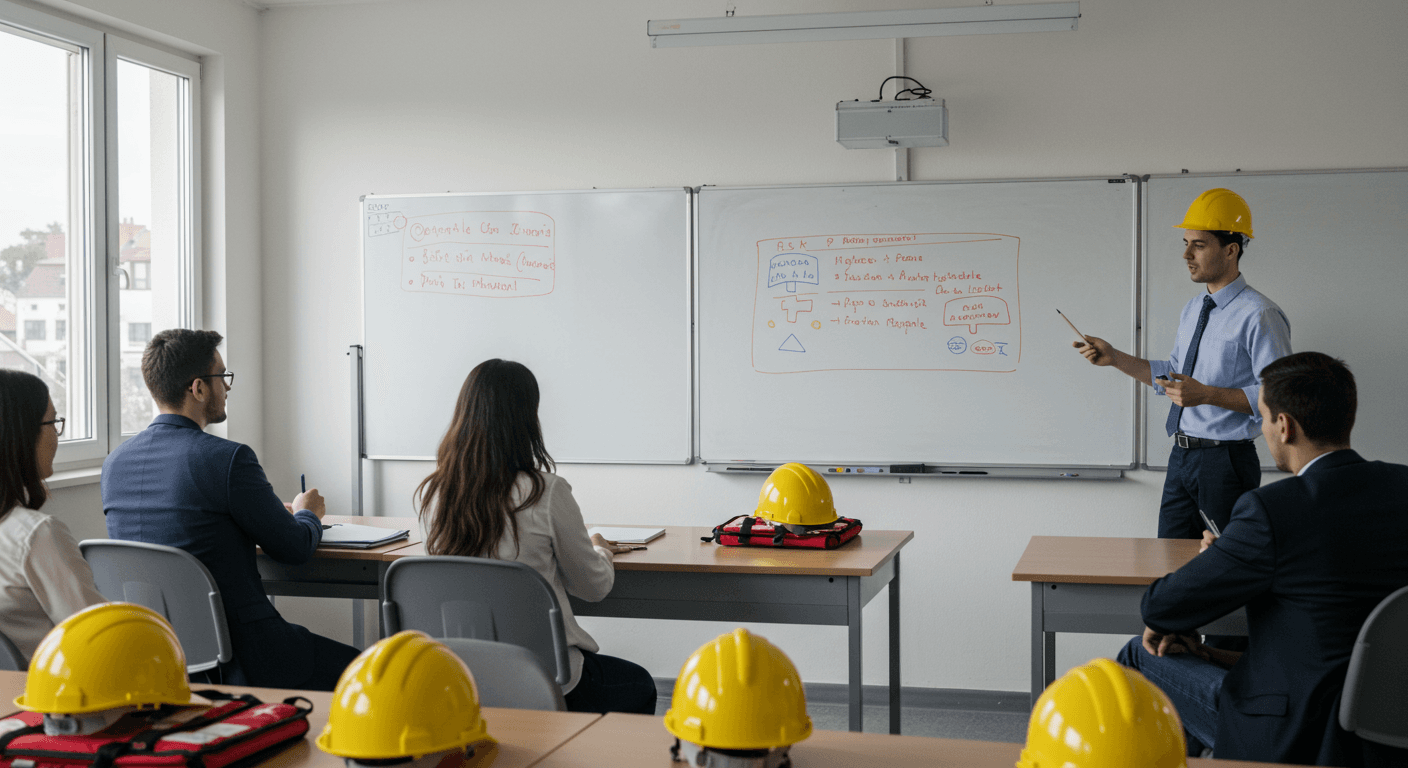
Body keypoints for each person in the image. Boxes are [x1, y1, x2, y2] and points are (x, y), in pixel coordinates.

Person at [1115, 352, 1408, 766]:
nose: (1263, 431)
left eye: (1263, 419)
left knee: (1140, 652)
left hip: (1296, 734)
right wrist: (1209, 653)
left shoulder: (1273, 509)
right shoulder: (1401, 486)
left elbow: (1161, 607)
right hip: (1390, 726)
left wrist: (1222, 556)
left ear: (1284, 426)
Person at [102, 329, 361, 690]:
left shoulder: (115, 464)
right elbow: (294, 548)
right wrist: (307, 513)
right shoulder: (227, 459)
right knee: (371, 671)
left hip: (163, 658)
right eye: (222, 376)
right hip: (245, 656)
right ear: (198, 388)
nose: (227, 386)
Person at [415, 358, 657, 715]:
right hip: (548, 679)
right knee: (639, 683)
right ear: (527, 419)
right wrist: (601, 550)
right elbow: (593, 588)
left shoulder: (434, 494)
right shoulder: (546, 491)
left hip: (462, 677)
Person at [1076, 188, 1291, 539]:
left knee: (1227, 559)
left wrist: (1206, 395)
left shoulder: (1260, 314)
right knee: (1168, 557)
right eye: (1186, 243)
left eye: (1199, 245)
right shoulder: (1194, 309)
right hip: (1181, 456)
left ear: (1231, 250)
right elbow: (1175, 377)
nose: (1186, 254)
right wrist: (1114, 358)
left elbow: (1279, 396)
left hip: (1226, 461)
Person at [0, 370, 105, 659]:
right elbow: (99, 638)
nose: (56, 436)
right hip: (46, 685)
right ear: (21, 434)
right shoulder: (36, 535)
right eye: (53, 423)